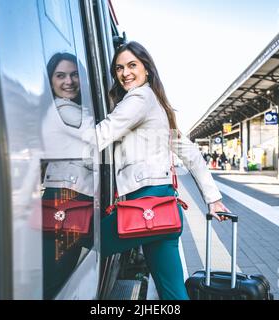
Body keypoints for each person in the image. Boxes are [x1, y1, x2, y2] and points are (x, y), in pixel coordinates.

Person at [95, 41, 230, 300]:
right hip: (164, 208)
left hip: (144, 205)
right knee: (173, 293)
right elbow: (191, 153)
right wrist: (214, 199)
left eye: (132, 65)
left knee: (85, 245)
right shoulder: (157, 104)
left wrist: (42, 149)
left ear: (147, 68)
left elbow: (102, 134)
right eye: (119, 68)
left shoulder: (139, 97)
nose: (125, 73)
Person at [40, 52, 94, 299]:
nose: (68, 81)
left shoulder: (72, 109)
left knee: (58, 276)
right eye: (60, 76)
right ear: (50, 81)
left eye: (74, 75)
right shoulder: (64, 110)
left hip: (69, 197)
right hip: (66, 198)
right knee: (56, 278)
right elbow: (100, 137)